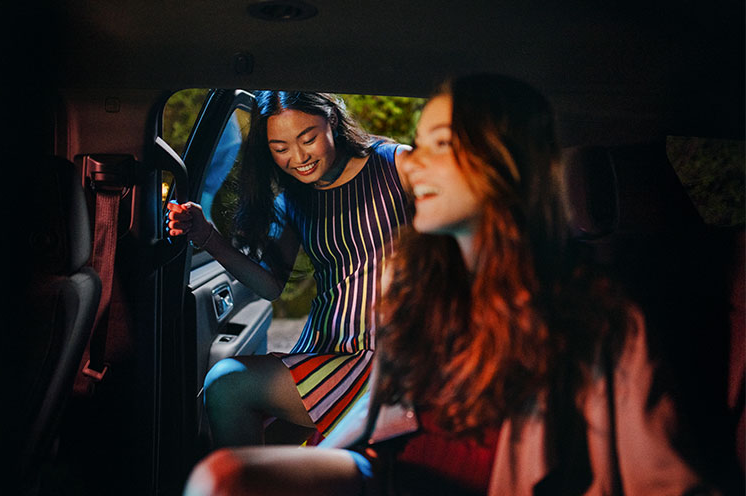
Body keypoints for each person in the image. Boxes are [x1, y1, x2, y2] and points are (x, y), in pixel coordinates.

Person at [183, 74, 736, 496]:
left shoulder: (588, 321)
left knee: (230, 423)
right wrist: (208, 239)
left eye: (439, 147)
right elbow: (398, 402)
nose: (416, 163)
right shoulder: (425, 290)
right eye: (281, 148)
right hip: (349, 367)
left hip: (380, 378)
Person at [167, 91, 412, 447]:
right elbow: (269, 286)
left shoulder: (397, 164)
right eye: (280, 148)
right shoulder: (294, 197)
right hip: (325, 345)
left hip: (386, 353)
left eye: (308, 139)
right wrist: (207, 236)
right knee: (269, 450)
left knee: (226, 383)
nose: (298, 158)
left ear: (333, 120)